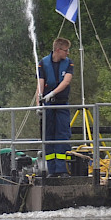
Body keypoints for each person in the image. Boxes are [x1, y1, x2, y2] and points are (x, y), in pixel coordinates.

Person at [37, 37, 75, 176]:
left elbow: (66, 82)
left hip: (61, 104)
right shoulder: (43, 63)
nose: (68, 53)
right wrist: (39, 104)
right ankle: (51, 170)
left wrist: (52, 93)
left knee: (62, 136)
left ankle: (62, 170)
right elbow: (40, 84)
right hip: (48, 106)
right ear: (58, 50)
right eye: (66, 50)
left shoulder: (68, 63)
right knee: (48, 137)